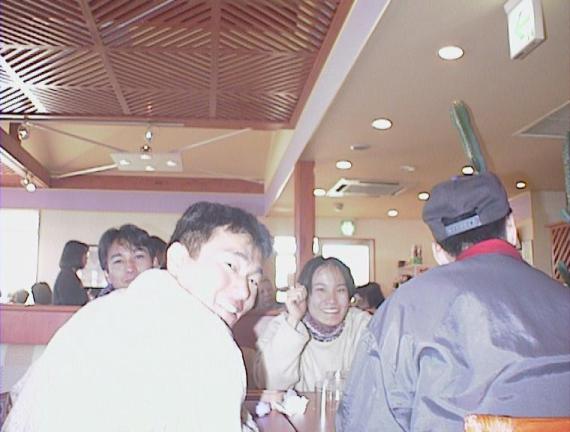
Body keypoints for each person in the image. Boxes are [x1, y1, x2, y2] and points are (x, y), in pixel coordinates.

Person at [3, 201, 273, 432]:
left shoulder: (102, 310)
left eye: (253, 279)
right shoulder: (209, 343)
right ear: (178, 260)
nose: (244, 292)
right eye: (231, 265)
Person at [337, 172, 570, 431]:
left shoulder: (405, 310)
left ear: (439, 252)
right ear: (512, 229)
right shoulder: (564, 299)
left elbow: (362, 422)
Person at [254, 256, 371, 392]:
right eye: (321, 290)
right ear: (305, 293)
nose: (331, 300)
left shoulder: (362, 326)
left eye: (340, 290)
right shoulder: (283, 326)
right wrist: (293, 320)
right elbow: (271, 383)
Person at [96, 224, 153, 297]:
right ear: (107, 274)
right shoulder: (100, 304)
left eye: (138, 257)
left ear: (154, 262)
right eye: (118, 261)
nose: (130, 268)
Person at [52, 240, 89, 306]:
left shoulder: (69, 275)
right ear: (76, 256)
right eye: (84, 254)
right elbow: (72, 303)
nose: (86, 258)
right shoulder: (67, 278)